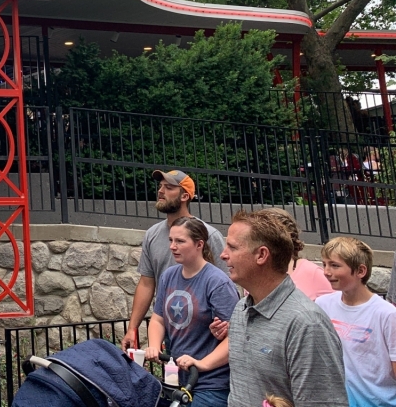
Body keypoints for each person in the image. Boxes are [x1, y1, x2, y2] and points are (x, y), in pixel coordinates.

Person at [220, 209, 348, 407]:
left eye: (232, 247)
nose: (223, 255)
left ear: (262, 255)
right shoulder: (240, 310)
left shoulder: (307, 324)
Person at [122, 169, 227, 352]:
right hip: (172, 332)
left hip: (205, 337)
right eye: (160, 186)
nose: (160, 191)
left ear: (185, 195)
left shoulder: (209, 235)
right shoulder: (152, 234)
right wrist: (133, 328)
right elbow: (147, 284)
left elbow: (228, 284)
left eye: (169, 187)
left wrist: (226, 326)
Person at [143, 217, 237, 407]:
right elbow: (158, 319)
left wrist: (203, 363)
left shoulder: (217, 282)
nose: (172, 246)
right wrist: (154, 345)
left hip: (211, 384)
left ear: (199, 244)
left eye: (180, 241)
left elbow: (235, 337)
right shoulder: (168, 276)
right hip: (177, 379)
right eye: (171, 240)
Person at [316, 236, 396, 407]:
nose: (326, 271)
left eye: (334, 265)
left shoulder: (387, 314)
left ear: (361, 271)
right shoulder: (323, 304)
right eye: (324, 264)